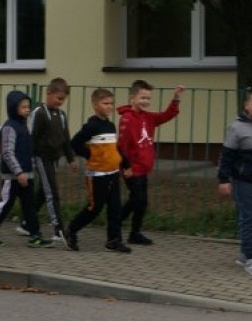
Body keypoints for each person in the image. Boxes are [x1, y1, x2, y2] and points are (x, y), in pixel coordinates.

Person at [116, 80, 184, 246]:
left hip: (143, 168)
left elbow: (167, 115)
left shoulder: (148, 117)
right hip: (132, 168)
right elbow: (121, 146)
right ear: (133, 98)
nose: (146, 101)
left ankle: (134, 233)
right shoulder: (127, 119)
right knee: (137, 199)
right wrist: (126, 166)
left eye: (148, 98)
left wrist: (176, 98)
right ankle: (115, 223)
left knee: (140, 201)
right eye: (142, 98)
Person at [217, 89, 252, 275]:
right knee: (248, 218)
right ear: (247, 106)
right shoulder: (236, 128)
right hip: (243, 181)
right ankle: (251, 258)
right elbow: (227, 156)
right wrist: (224, 179)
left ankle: (244, 253)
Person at [0, 90, 50, 247]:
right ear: (13, 108)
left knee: (30, 207)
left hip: (26, 175)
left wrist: (29, 170)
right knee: (5, 204)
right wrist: (18, 172)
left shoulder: (24, 126)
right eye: (23, 107)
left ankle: (35, 235)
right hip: (12, 177)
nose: (27, 110)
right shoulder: (10, 127)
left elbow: (27, 150)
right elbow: (7, 153)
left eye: (28, 107)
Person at [68, 87, 127, 253]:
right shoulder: (91, 126)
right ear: (95, 105)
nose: (109, 106)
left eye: (111, 103)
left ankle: (114, 240)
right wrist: (90, 155)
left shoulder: (110, 125)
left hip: (113, 173)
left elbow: (114, 148)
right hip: (97, 175)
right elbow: (75, 143)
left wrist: (125, 164)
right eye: (105, 103)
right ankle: (71, 230)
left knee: (115, 208)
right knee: (95, 208)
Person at [28, 77, 75, 239]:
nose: (60, 102)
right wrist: (28, 159)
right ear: (48, 93)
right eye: (58, 98)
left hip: (54, 157)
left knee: (43, 191)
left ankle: (27, 222)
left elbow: (66, 138)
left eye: (63, 100)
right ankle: (58, 229)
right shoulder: (39, 113)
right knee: (51, 193)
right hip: (41, 157)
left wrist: (71, 158)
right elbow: (32, 137)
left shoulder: (61, 115)